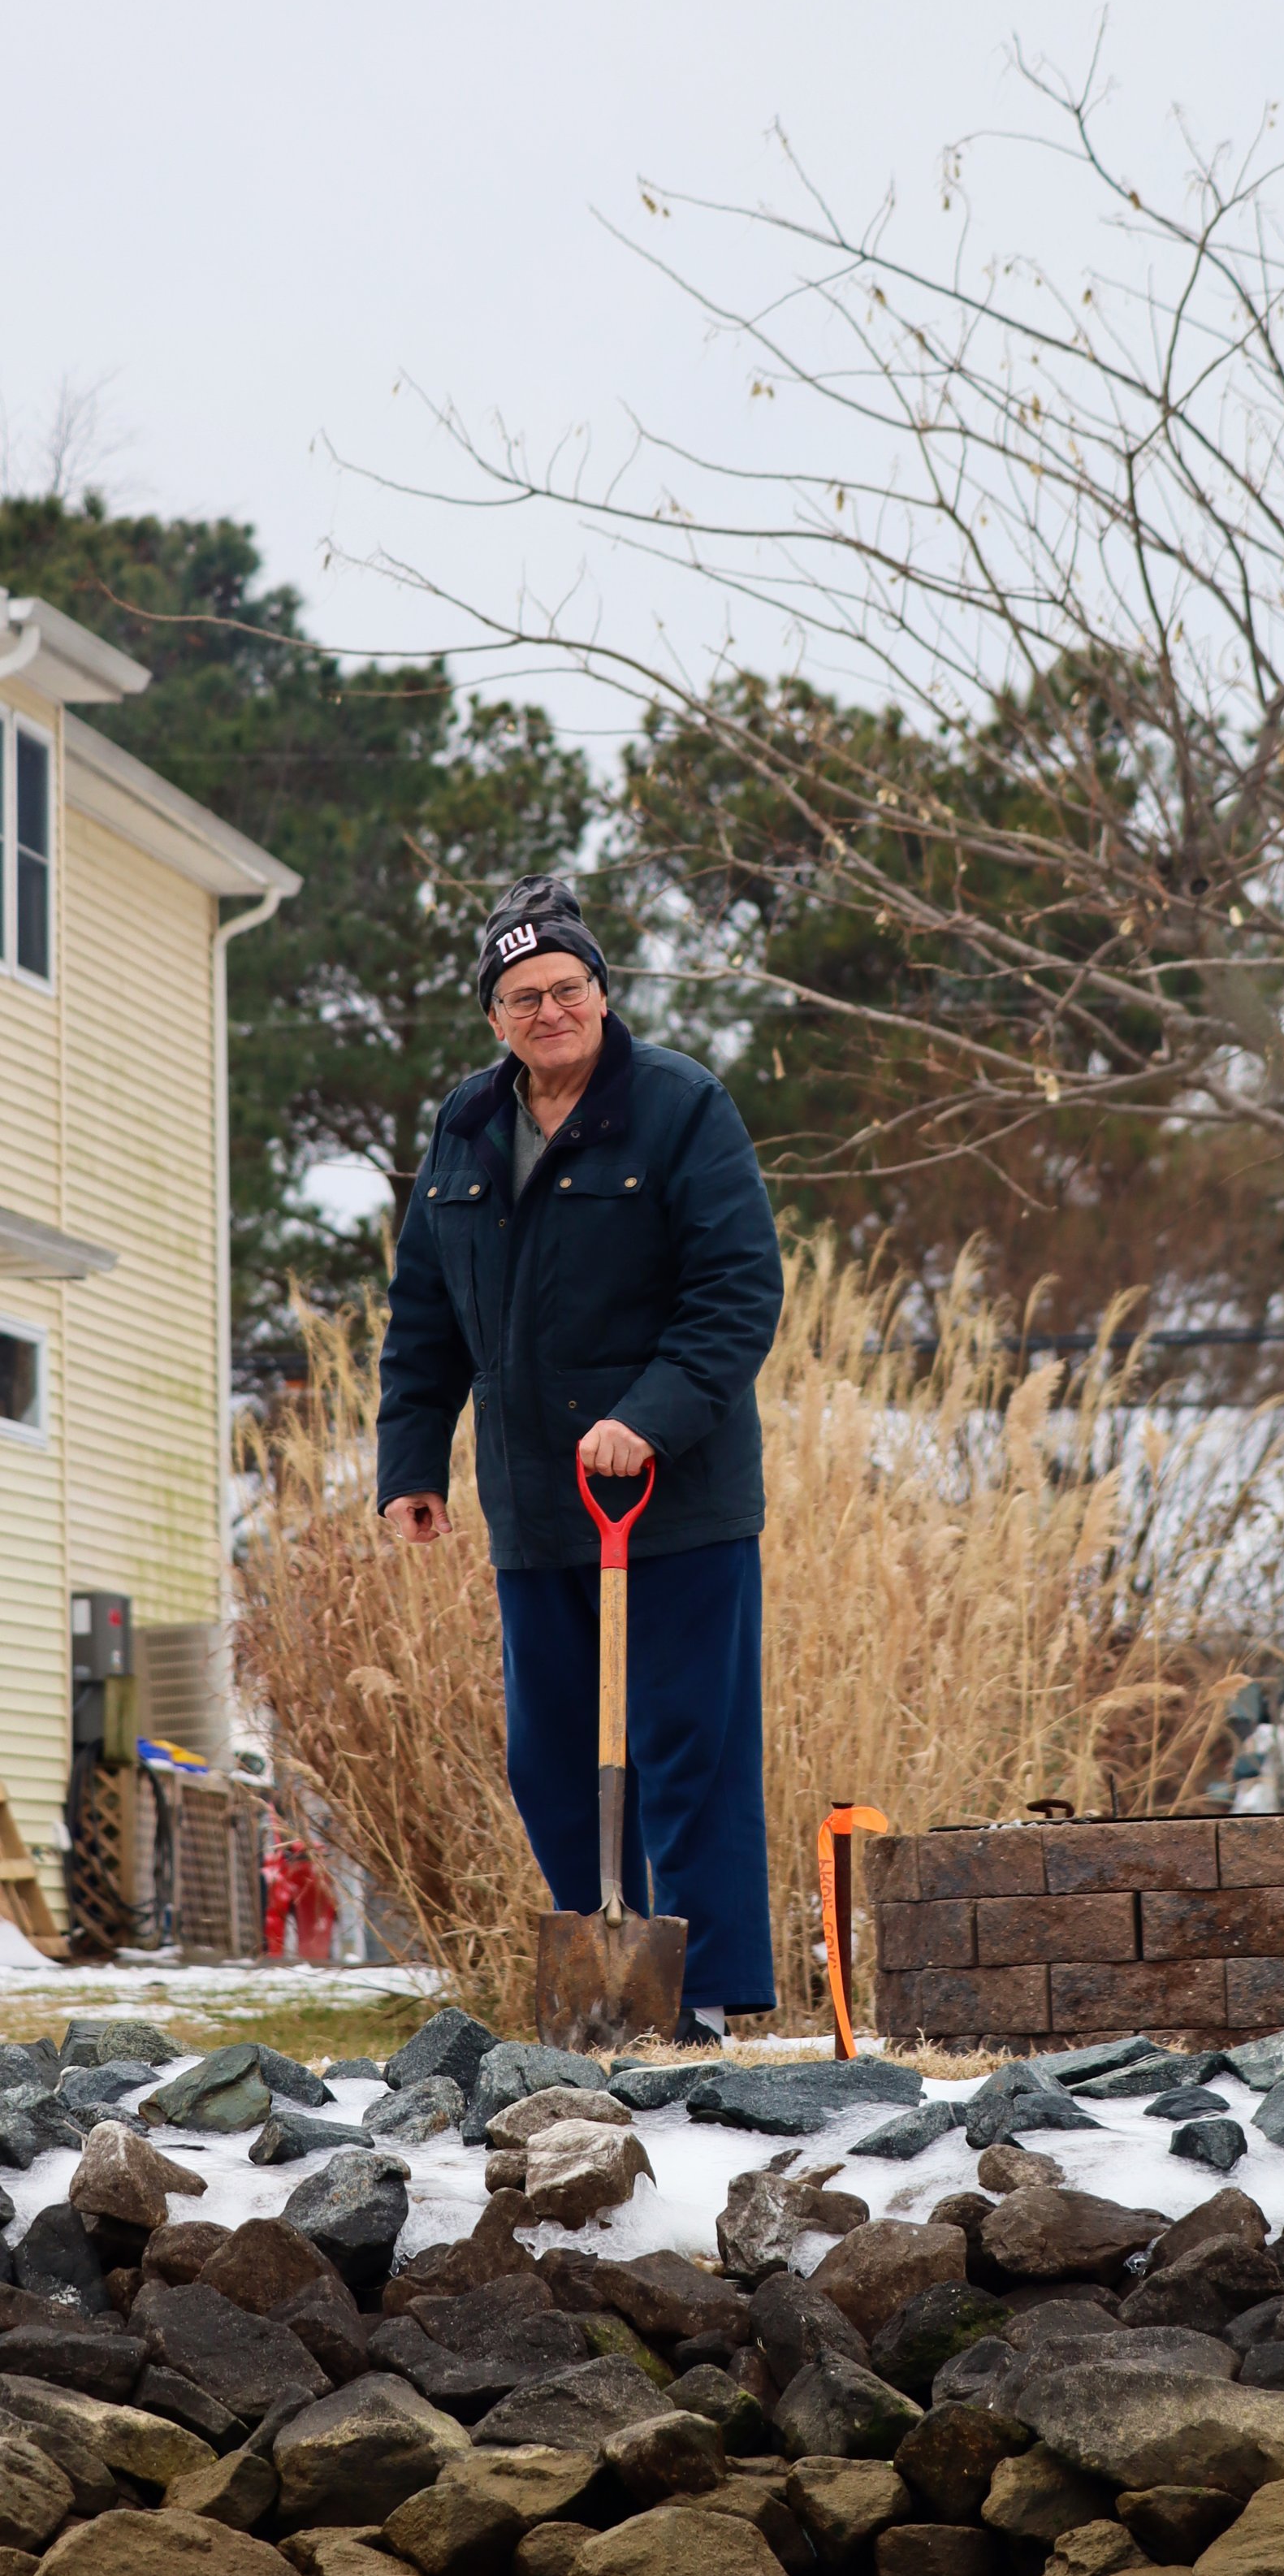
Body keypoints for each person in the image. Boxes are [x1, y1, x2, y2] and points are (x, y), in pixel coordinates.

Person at [376, 872, 783, 2041]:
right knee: (550, 1755)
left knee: (684, 1746)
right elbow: (423, 1316)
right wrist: (413, 1460)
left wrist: (648, 1416)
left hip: (677, 1497)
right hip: (538, 1505)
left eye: (567, 986)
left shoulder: (680, 1108)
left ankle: (703, 1994)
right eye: (522, 995)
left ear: (602, 992)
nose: (549, 1009)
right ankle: (612, 1993)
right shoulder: (463, 1128)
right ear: (494, 1018)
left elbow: (737, 1291)